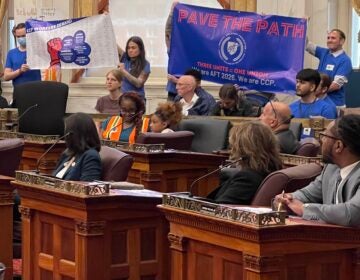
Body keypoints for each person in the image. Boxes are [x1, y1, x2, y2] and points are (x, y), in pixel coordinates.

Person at [275, 114, 360, 227]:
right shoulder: (331, 168)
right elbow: (307, 194)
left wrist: (304, 209)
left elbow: (352, 214)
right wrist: (288, 200)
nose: (321, 141)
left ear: (338, 146)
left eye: (324, 136)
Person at [207, 121, 282, 204]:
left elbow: (219, 210)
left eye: (233, 146)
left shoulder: (247, 179)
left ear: (243, 149)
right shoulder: (272, 169)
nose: (231, 150)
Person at [306, 29, 352, 107]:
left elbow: (336, 85)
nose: (329, 40)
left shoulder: (345, 60)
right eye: (328, 38)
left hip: (335, 104)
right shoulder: (324, 52)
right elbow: (306, 45)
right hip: (319, 101)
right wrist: (304, 25)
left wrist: (315, 92)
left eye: (333, 38)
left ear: (342, 41)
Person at [52, 113, 102, 181]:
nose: (65, 135)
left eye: (67, 131)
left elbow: (87, 185)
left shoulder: (91, 156)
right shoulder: (67, 153)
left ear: (75, 134)